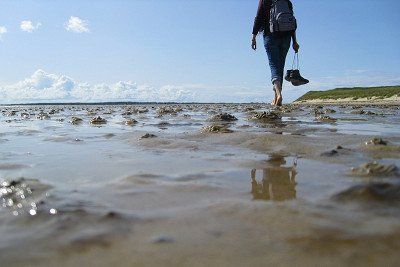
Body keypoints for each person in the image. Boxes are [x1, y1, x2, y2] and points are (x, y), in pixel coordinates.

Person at [251, 0, 299, 106]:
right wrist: (295, 41)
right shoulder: (287, 1)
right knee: (280, 67)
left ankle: (278, 94)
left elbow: (258, 17)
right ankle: (276, 98)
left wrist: (254, 36)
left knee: (274, 66)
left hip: (270, 35)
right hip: (286, 37)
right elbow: (292, 23)